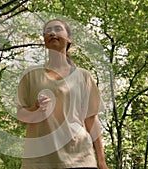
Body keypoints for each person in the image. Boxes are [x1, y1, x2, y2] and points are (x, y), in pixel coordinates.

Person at [16, 19, 109, 169]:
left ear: (69, 38)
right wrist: (36, 109)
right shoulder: (30, 75)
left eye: (58, 29)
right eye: (48, 31)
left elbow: (91, 120)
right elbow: (21, 116)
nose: (52, 32)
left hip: (79, 158)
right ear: (45, 41)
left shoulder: (83, 76)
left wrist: (101, 161)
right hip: (39, 161)